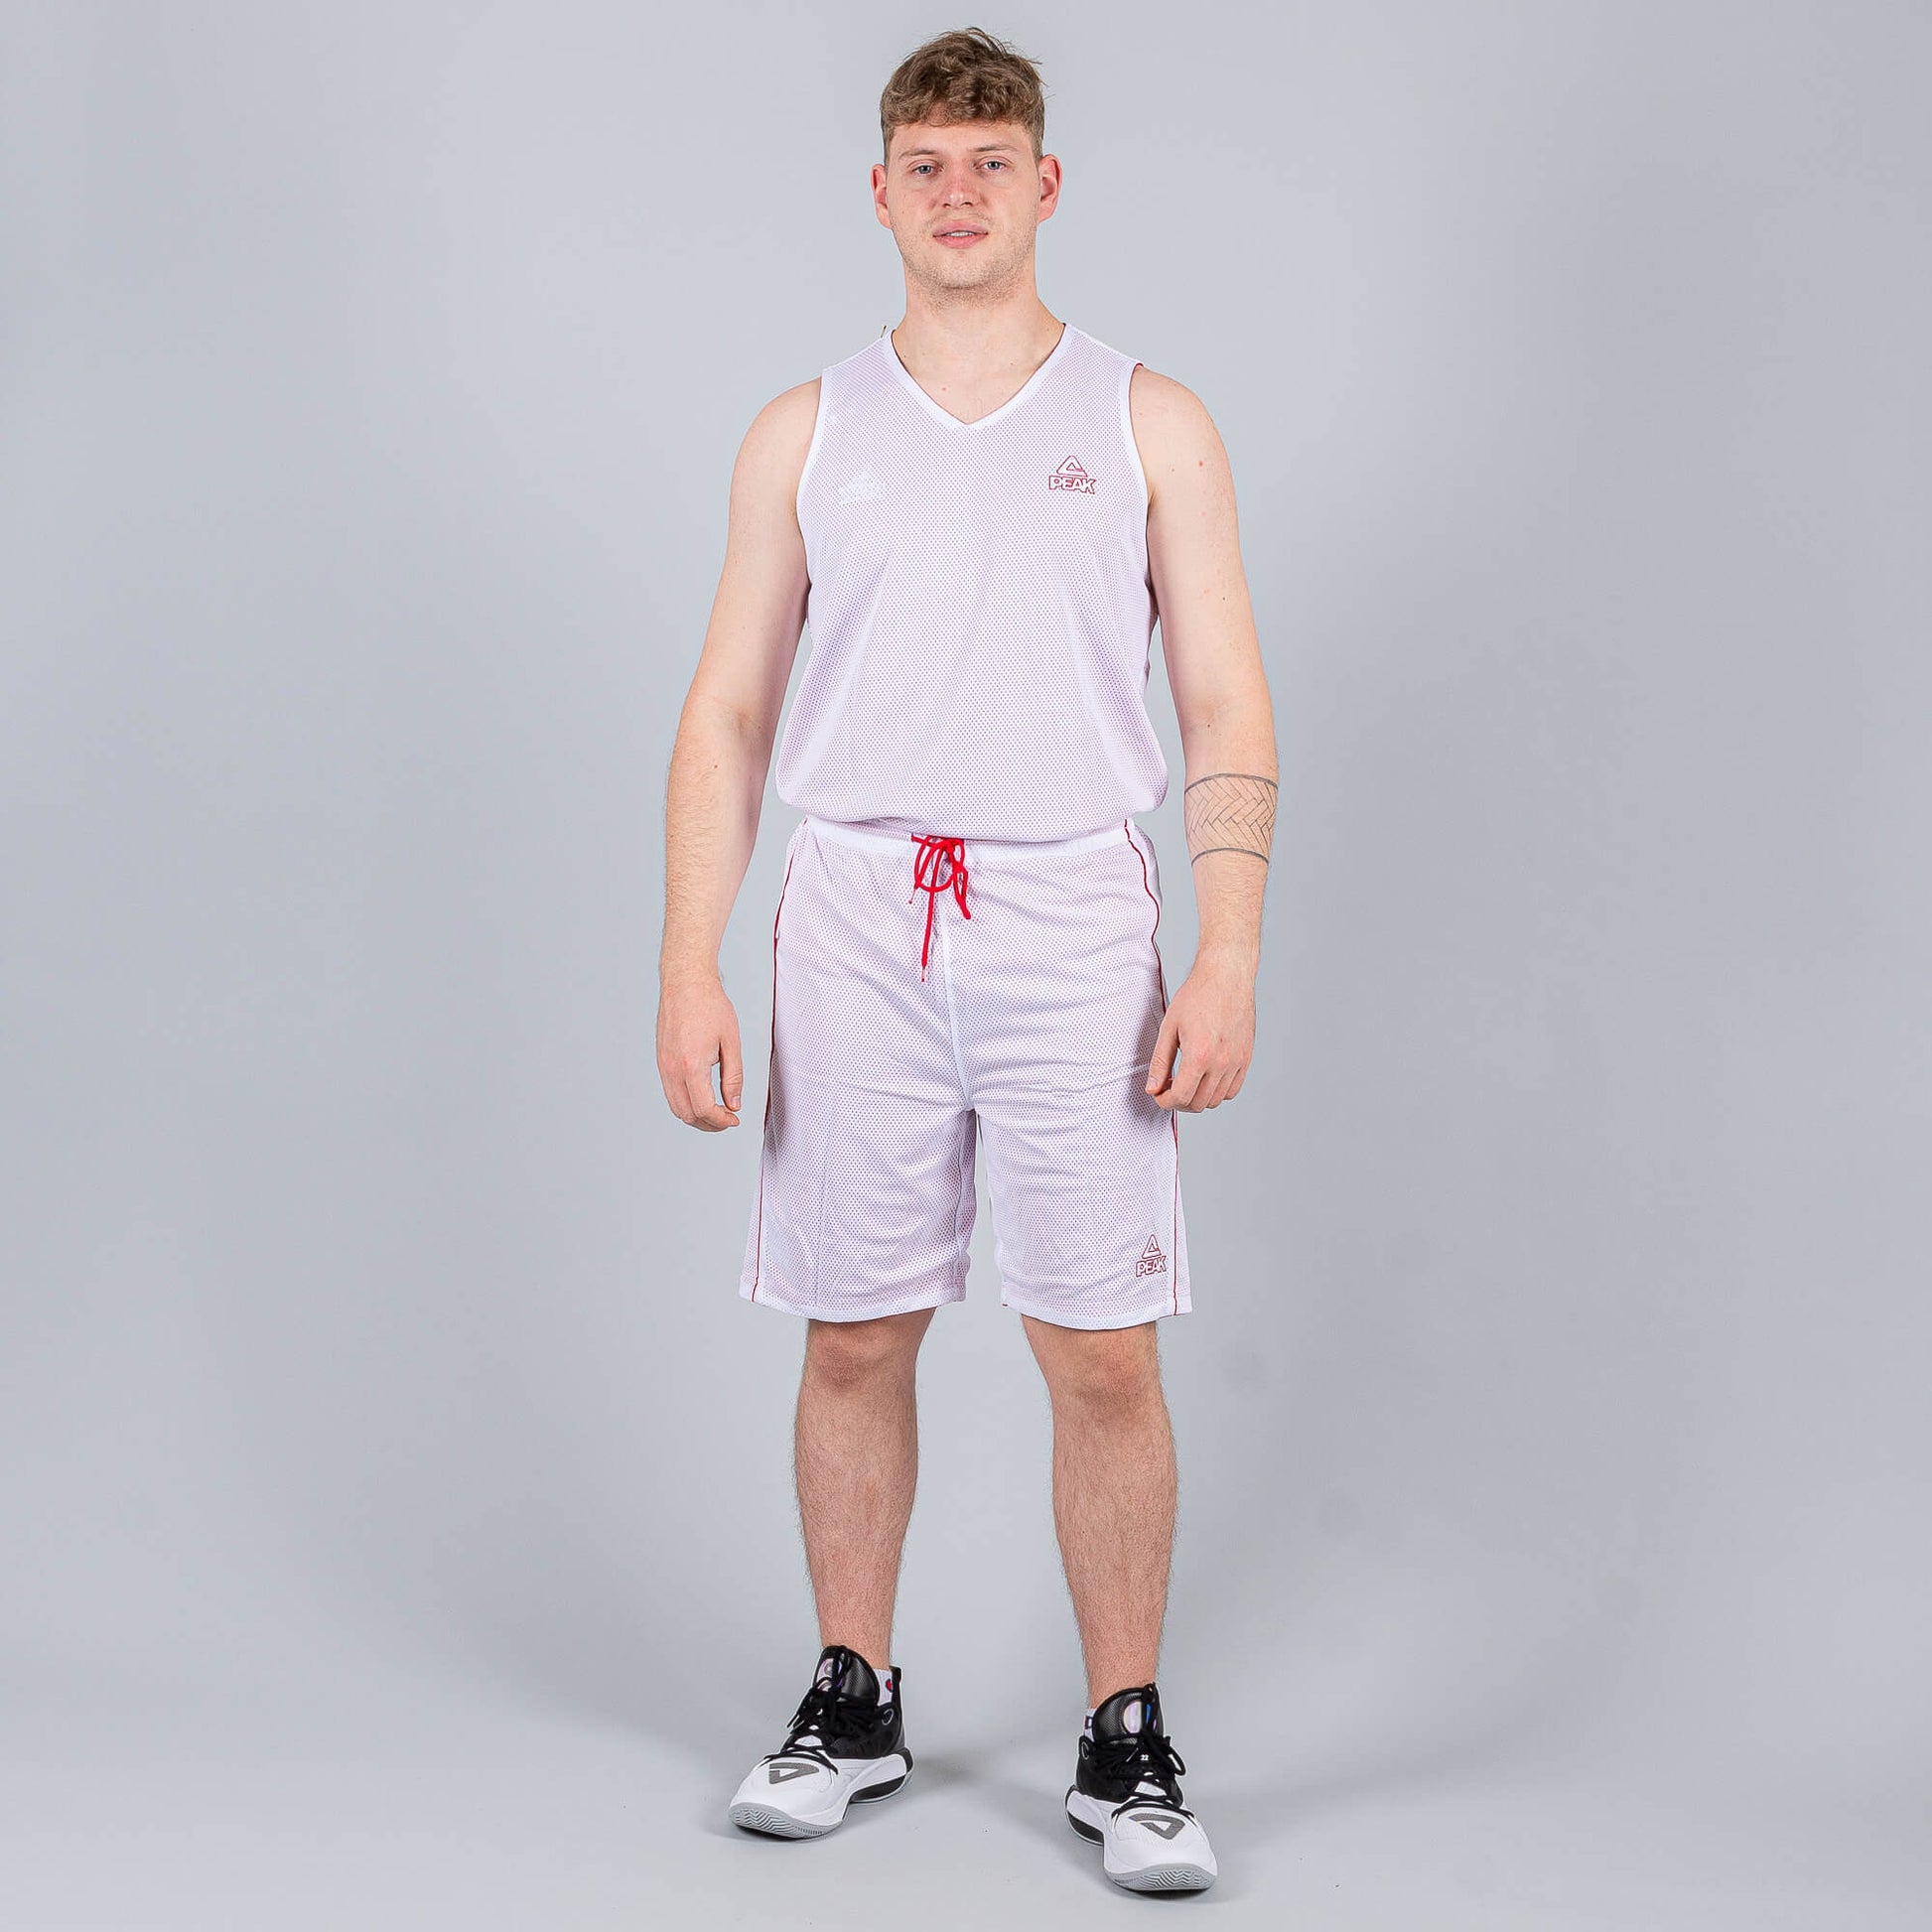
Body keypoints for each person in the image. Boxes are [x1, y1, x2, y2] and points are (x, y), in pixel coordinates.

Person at [657, 27, 1276, 1895]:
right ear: (878, 190)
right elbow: (727, 711)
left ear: (1043, 185)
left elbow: (1224, 700)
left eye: (988, 161)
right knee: (855, 1329)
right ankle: (851, 1694)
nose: (956, 191)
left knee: (1099, 1347)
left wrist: (1229, 947)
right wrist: (690, 960)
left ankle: (1125, 1732)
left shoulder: (1148, 421)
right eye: (924, 162)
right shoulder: (806, 429)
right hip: (856, 913)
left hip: (1072, 914)